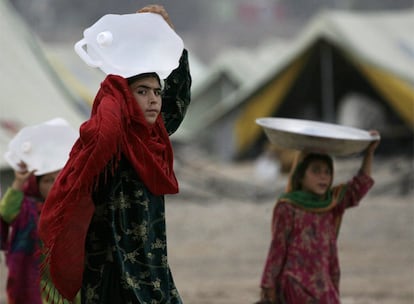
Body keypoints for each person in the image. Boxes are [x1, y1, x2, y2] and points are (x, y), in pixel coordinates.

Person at [38, 5, 191, 304]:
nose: (153, 100)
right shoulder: (106, 136)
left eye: (156, 92)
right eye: (142, 91)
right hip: (107, 264)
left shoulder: (152, 138)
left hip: (150, 263)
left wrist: (171, 39)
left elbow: (179, 98)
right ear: (124, 94)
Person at [255, 132, 380, 304]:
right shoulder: (288, 207)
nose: (323, 176)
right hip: (295, 285)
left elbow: (360, 184)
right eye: (315, 171)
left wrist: (369, 153)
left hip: (324, 286)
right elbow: (277, 248)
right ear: (300, 175)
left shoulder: (332, 203)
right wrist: (268, 285)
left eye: (327, 172)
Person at [0, 119, 78, 304]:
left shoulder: (77, 207)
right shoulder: (27, 209)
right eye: (48, 180)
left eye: (60, 178)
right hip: (34, 283)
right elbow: (7, 212)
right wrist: (19, 181)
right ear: (36, 184)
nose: (55, 185)